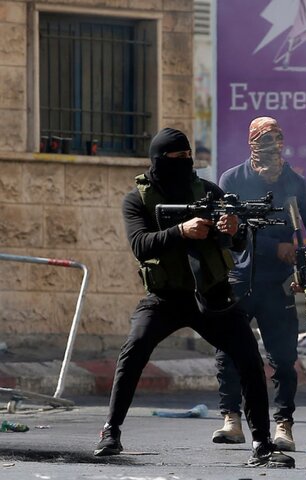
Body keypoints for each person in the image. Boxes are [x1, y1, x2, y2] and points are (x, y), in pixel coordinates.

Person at [93, 128, 294, 468]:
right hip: (165, 296)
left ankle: (262, 442)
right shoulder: (138, 200)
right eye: (177, 159)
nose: (185, 164)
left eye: (189, 158)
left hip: (211, 295)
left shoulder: (209, 191)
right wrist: (180, 231)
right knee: (134, 351)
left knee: (248, 357)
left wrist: (234, 229)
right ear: (159, 162)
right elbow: (140, 245)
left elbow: (241, 241)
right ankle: (110, 432)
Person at [212, 117, 306, 452]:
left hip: (278, 286)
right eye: (264, 140)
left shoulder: (295, 183)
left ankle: (283, 424)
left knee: (283, 357)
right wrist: (272, 247)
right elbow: (228, 231)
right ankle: (231, 418)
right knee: (228, 352)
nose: (272, 147)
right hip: (239, 280)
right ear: (251, 143)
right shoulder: (232, 179)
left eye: (277, 139)